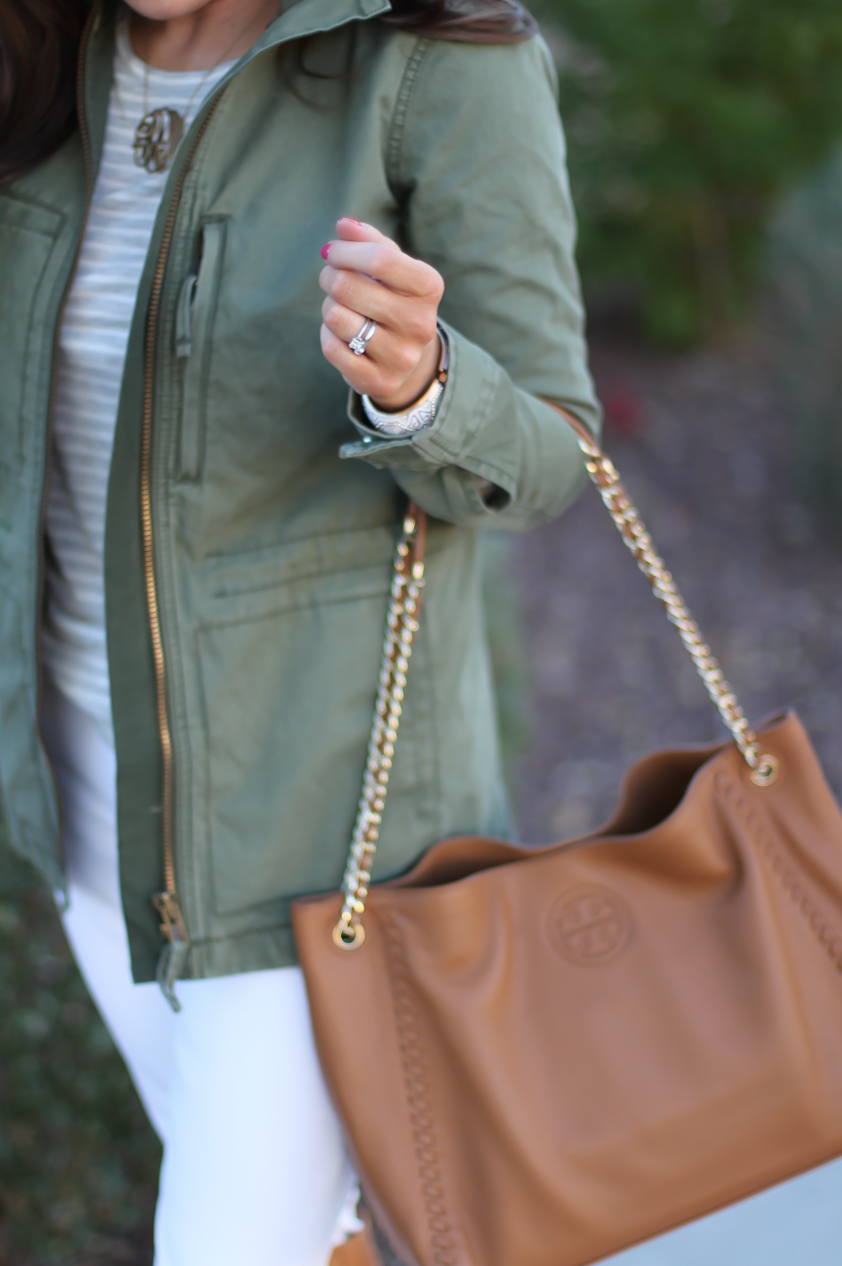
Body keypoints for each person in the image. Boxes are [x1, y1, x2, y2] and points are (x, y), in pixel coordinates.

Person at [0, 0, 599, 1262]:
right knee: (325, 1229)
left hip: (318, 848)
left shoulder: (439, 61)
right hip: (84, 820)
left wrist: (425, 387)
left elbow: (552, 456)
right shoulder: (44, 52)